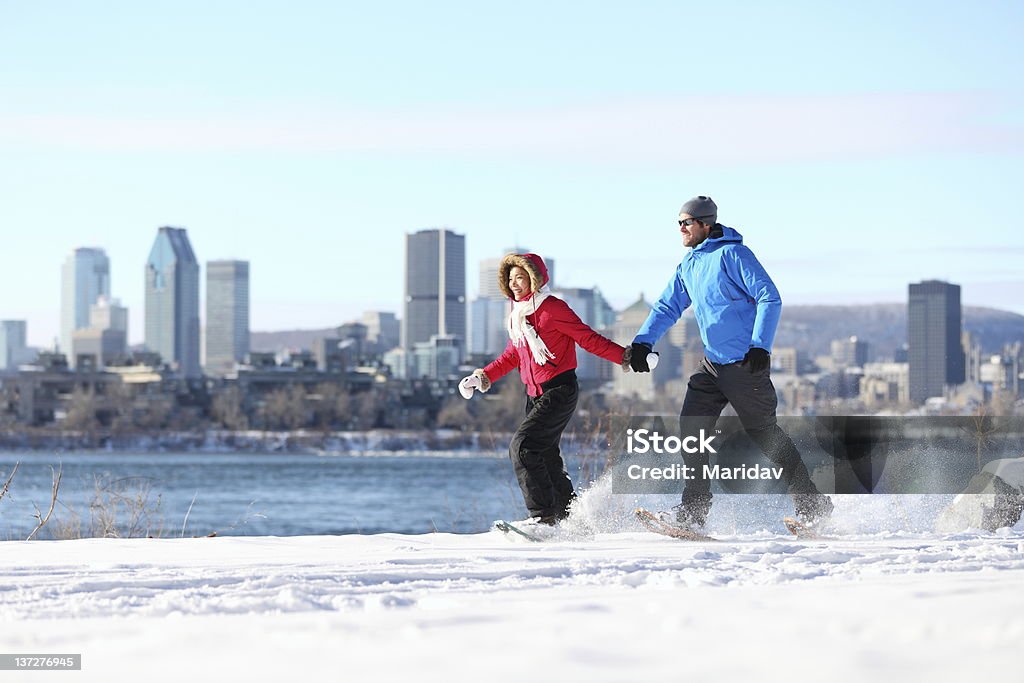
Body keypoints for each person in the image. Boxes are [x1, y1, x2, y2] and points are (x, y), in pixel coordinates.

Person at [629, 196, 833, 530]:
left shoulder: (733, 254)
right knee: (690, 431)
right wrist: (642, 342)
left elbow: (769, 296)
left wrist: (760, 347)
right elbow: (667, 306)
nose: (681, 228)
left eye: (687, 222)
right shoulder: (689, 264)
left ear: (705, 224)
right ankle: (693, 512)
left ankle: (813, 505)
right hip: (711, 365)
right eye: (678, 222)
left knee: (765, 435)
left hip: (745, 365)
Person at [460, 253, 630, 525]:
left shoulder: (553, 308)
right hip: (534, 395)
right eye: (511, 278)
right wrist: (481, 377)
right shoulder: (518, 316)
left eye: (521, 277)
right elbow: (511, 356)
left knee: (524, 447)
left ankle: (543, 517)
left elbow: (588, 339)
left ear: (534, 279)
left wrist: (625, 357)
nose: (515, 284)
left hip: (559, 390)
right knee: (547, 457)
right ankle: (569, 518)